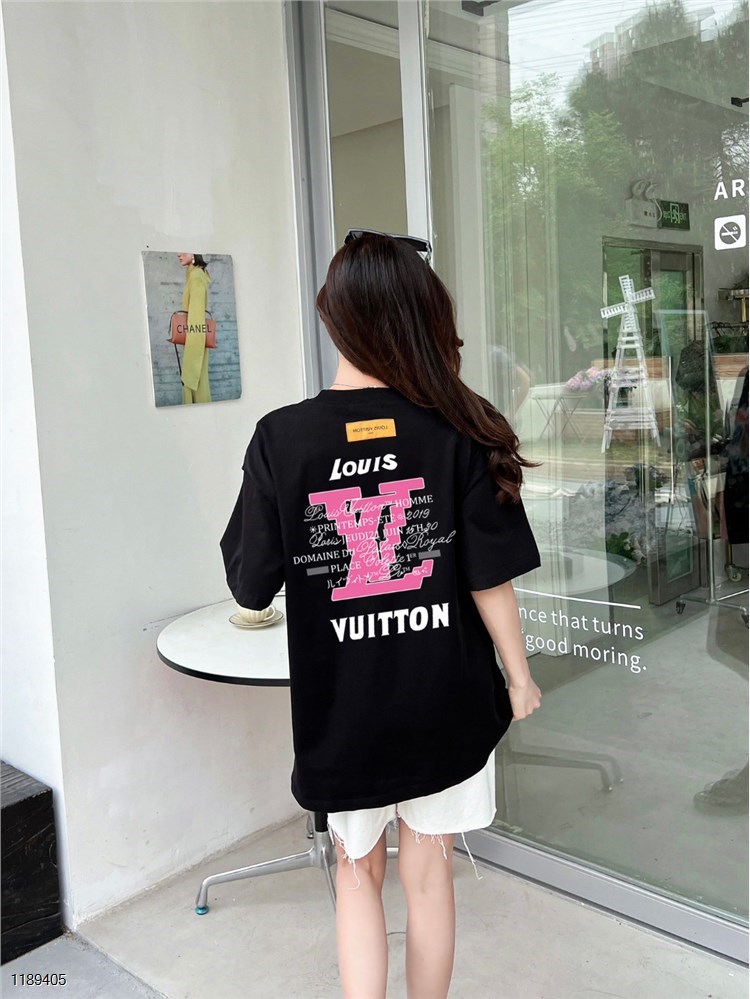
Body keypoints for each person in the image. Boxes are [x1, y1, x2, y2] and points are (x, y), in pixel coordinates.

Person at [219, 230, 543, 999]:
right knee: (429, 874)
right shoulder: (459, 426)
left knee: (356, 872)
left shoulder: (281, 439)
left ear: (334, 319)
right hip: (446, 702)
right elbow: (489, 578)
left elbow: (250, 585)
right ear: (418, 319)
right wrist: (519, 677)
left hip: (345, 712)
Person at [178, 253, 212, 404]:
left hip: (194, 339)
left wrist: (192, 349)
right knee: (198, 385)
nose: (178, 254)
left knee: (195, 383)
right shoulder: (194, 274)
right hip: (193, 337)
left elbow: (197, 316)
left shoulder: (196, 276)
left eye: (183, 251)